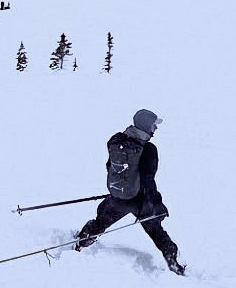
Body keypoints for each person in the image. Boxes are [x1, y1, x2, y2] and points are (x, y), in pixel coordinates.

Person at [75, 108, 185, 274]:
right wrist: (157, 205)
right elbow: (148, 181)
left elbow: (110, 167)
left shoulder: (118, 143)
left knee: (100, 222)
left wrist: (122, 187)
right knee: (157, 232)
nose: (156, 128)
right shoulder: (149, 149)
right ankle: (174, 263)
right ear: (146, 126)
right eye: (154, 125)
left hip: (118, 198)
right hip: (140, 202)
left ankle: (79, 244)